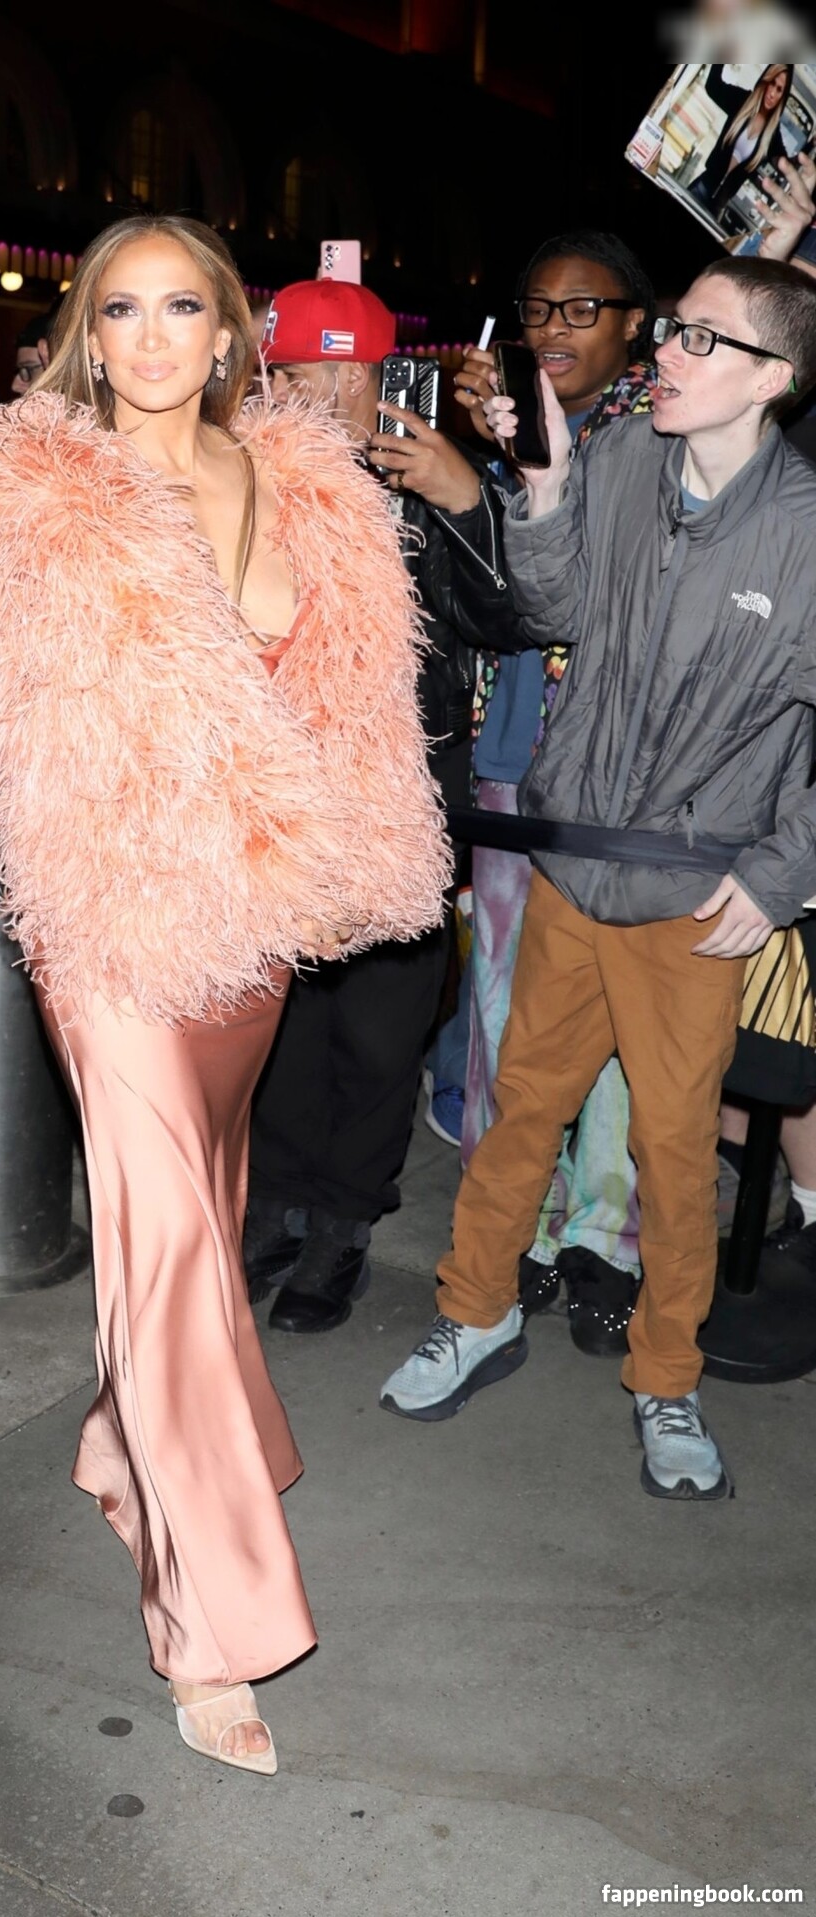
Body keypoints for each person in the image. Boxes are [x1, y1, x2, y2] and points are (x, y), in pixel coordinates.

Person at [0, 213, 447, 1769]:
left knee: (201, 1214)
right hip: (115, 924)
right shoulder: (42, 493)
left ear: (230, 333)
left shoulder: (308, 484)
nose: (150, 339)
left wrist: (335, 859)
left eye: (180, 309)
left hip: (257, 917)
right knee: (161, 1246)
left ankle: (126, 1440)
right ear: (85, 335)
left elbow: (354, 708)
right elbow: (16, 693)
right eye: (120, 310)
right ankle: (209, 1626)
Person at [382, 256, 816, 1502]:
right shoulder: (623, 457)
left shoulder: (804, 531)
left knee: (677, 1157)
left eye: (702, 339)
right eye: (673, 329)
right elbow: (551, 604)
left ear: (774, 379)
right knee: (523, 1111)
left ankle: (667, 1379)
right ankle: (475, 1312)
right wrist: (547, 488)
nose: (666, 351)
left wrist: (780, 872)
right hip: (572, 868)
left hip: (693, 901)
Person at [243, 274, 520, 1333]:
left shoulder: (423, 477)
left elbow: (507, 618)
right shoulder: (238, 477)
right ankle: (275, 1201)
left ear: (380, 379)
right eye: (291, 379)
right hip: (281, 780)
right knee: (282, 1009)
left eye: (339, 378)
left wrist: (463, 500)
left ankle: (344, 1221)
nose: (315, 402)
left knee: (380, 1018)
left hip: (405, 779)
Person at [448, 231, 659, 1355]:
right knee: (497, 1010)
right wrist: (489, 462)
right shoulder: (501, 436)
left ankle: (603, 1238)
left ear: (635, 325)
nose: (553, 329)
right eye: (537, 308)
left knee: (615, 1019)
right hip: (509, 762)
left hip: (619, 777)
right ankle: (513, 1224)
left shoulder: (662, 437)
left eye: (582, 309)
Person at [691, 65, 793, 220]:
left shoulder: (772, 134)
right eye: (772, 83)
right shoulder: (742, 100)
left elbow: (787, 165)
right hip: (702, 188)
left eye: (779, 89)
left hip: (717, 208)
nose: (772, 93)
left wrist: (811, 147)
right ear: (765, 80)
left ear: (782, 97)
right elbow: (713, 86)